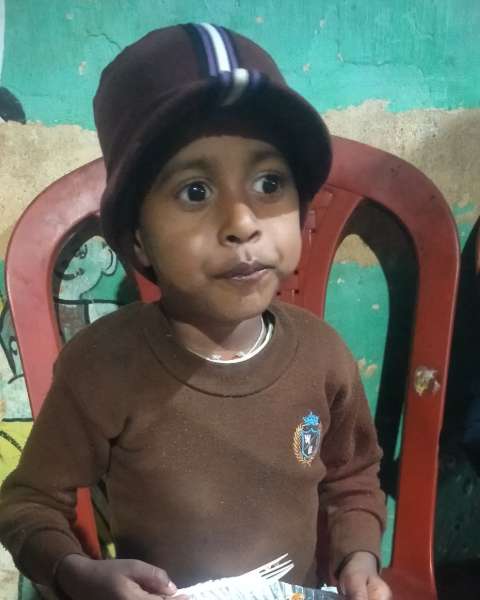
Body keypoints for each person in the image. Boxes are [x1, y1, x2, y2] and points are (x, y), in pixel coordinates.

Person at [0, 24, 392, 600]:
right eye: (195, 192)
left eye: (269, 182)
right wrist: (73, 570)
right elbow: (28, 502)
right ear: (137, 239)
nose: (242, 222)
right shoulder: (102, 369)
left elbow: (353, 476)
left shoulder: (323, 357)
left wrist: (358, 559)